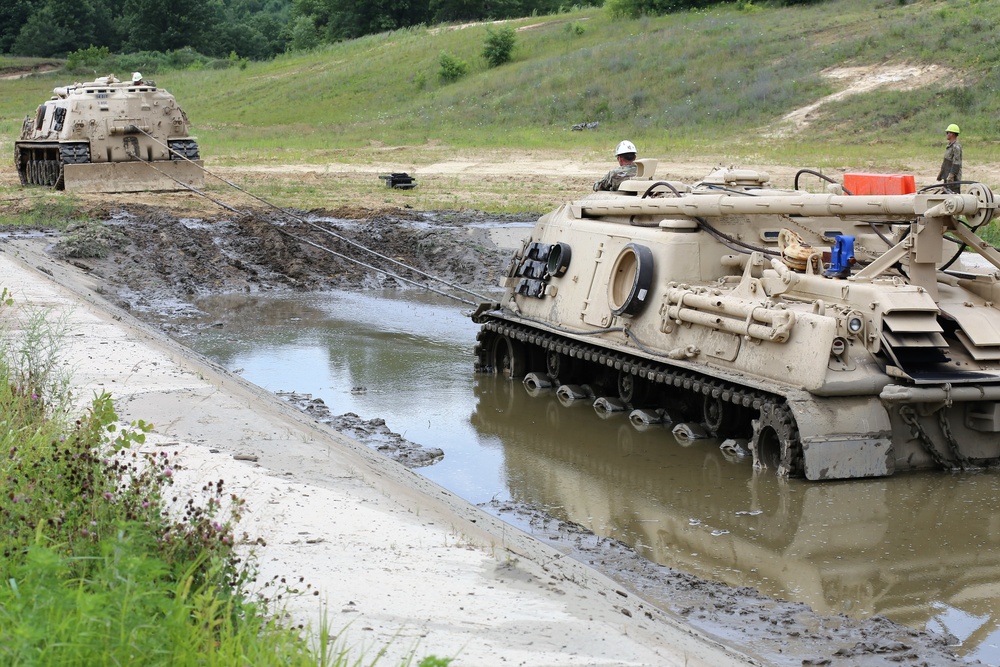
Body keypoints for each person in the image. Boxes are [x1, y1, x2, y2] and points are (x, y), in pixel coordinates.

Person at [937, 123, 962, 193]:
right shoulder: (949, 146)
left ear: (952, 134)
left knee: (954, 198)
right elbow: (946, 162)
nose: (947, 134)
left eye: (947, 132)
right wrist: (941, 173)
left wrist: (951, 175)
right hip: (947, 177)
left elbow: (956, 163)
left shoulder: (956, 147)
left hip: (954, 179)